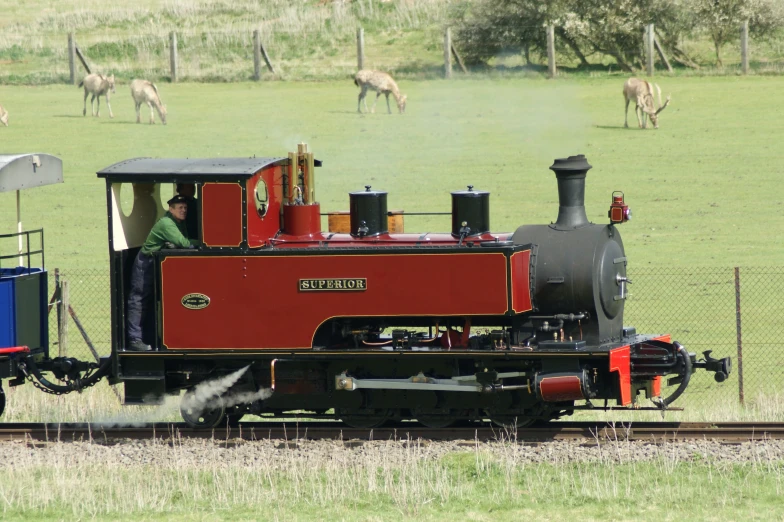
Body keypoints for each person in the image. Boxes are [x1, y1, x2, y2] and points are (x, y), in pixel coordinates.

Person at [126, 195, 200, 351]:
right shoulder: (167, 224)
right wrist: (203, 242)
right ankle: (134, 340)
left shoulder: (178, 223)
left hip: (153, 263)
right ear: (171, 209)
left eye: (185, 208)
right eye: (180, 208)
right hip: (145, 264)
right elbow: (185, 243)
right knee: (138, 301)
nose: (183, 211)